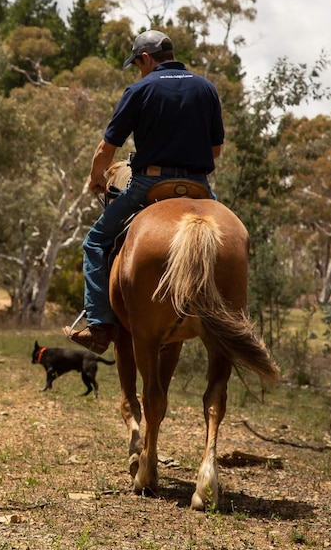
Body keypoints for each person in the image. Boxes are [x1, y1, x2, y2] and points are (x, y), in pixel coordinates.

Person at [63, 29, 225, 354]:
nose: (139, 69)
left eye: (138, 63)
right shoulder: (206, 88)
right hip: (199, 187)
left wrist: (96, 177)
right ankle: (231, 313)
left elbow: (105, 149)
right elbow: (216, 150)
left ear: (147, 59)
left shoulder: (140, 89)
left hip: (150, 184)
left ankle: (99, 327)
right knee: (233, 239)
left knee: (94, 241)